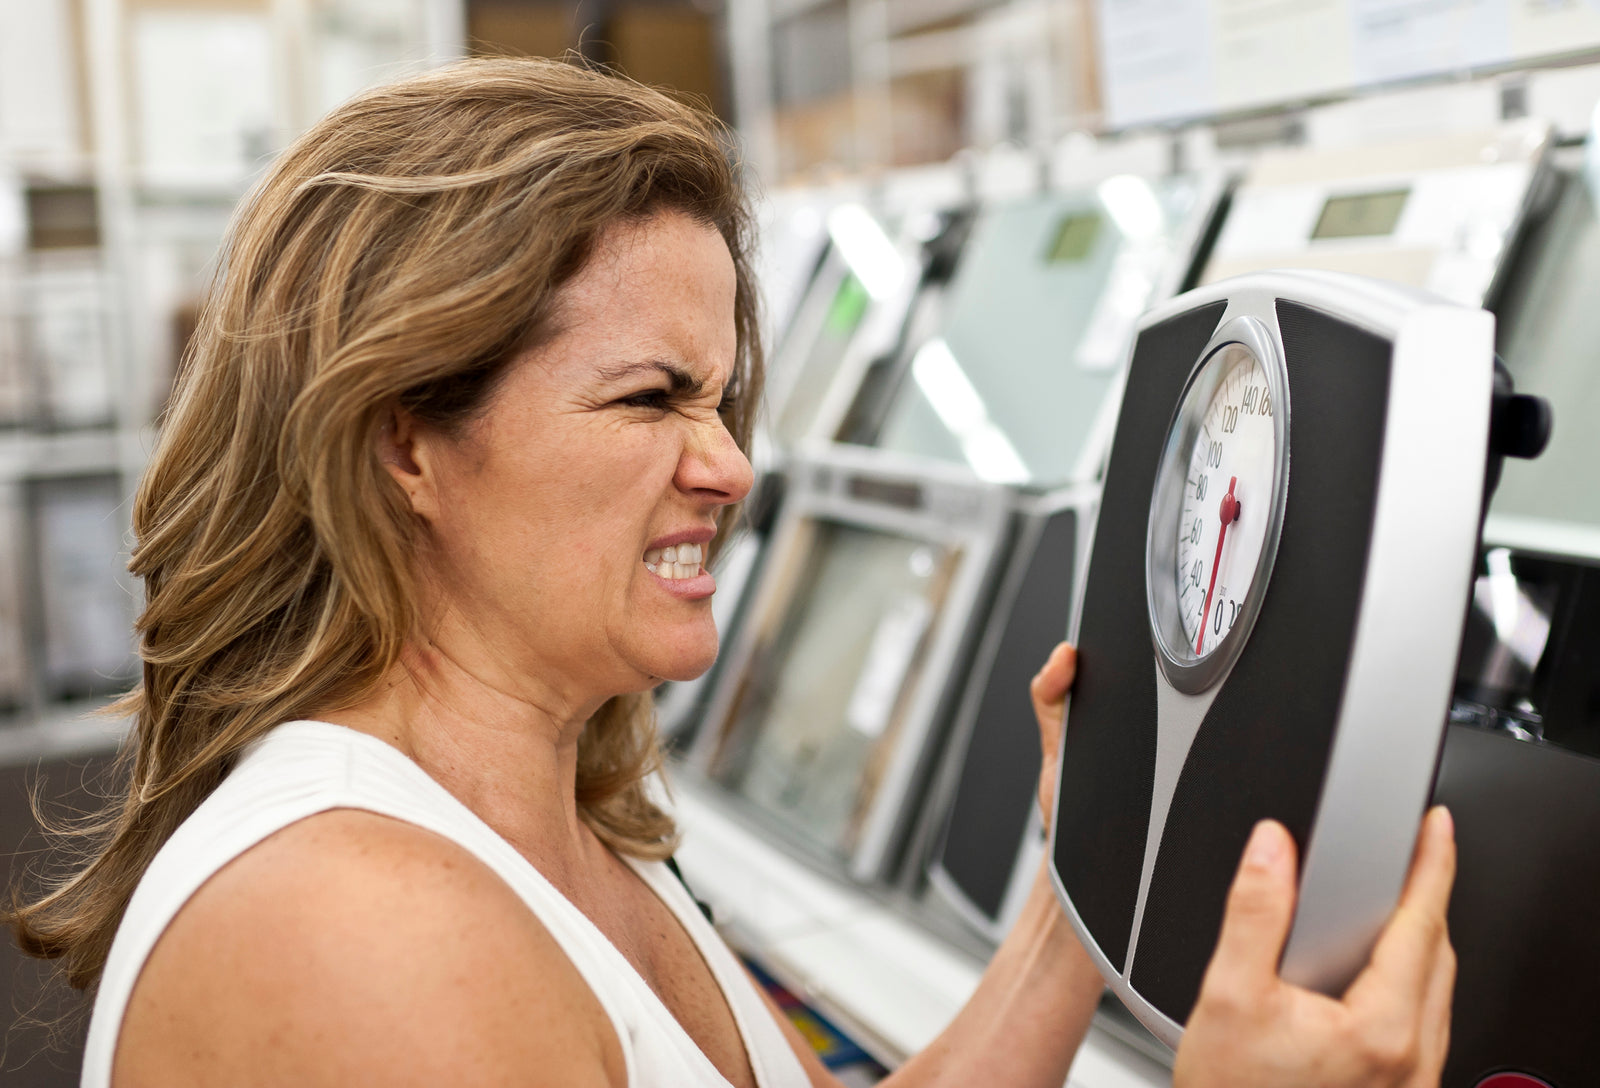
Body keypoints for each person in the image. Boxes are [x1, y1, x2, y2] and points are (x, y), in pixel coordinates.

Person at [6, 58, 1455, 1088]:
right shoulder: (362, 931)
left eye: (720, 400)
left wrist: (1083, 887)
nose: (732, 466)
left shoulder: (560, 823)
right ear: (408, 445)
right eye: (652, 400)